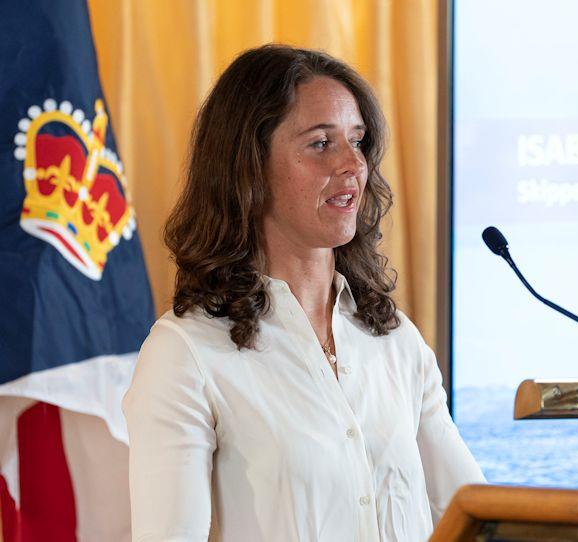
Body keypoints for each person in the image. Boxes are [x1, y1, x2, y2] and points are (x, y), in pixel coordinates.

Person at [122, 44, 485, 542]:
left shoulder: (394, 339)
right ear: (248, 167)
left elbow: (475, 515)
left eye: (357, 141)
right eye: (320, 144)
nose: (352, 165)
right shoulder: (186, 352)